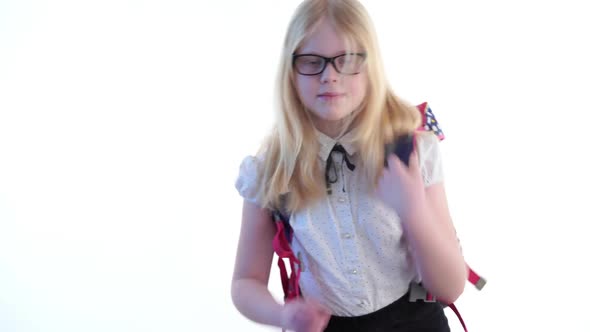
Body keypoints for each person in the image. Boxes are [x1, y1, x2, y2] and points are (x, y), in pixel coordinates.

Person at [231, 0, 467, 331]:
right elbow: (245, 281)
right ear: (291, 71)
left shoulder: (412, 149)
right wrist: (281, 315)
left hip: (416, 317)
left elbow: (450, 286)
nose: (330, 76)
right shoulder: (270, 170)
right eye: (312, 62)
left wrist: (413, 210)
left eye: (348, 60)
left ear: (371, 67)